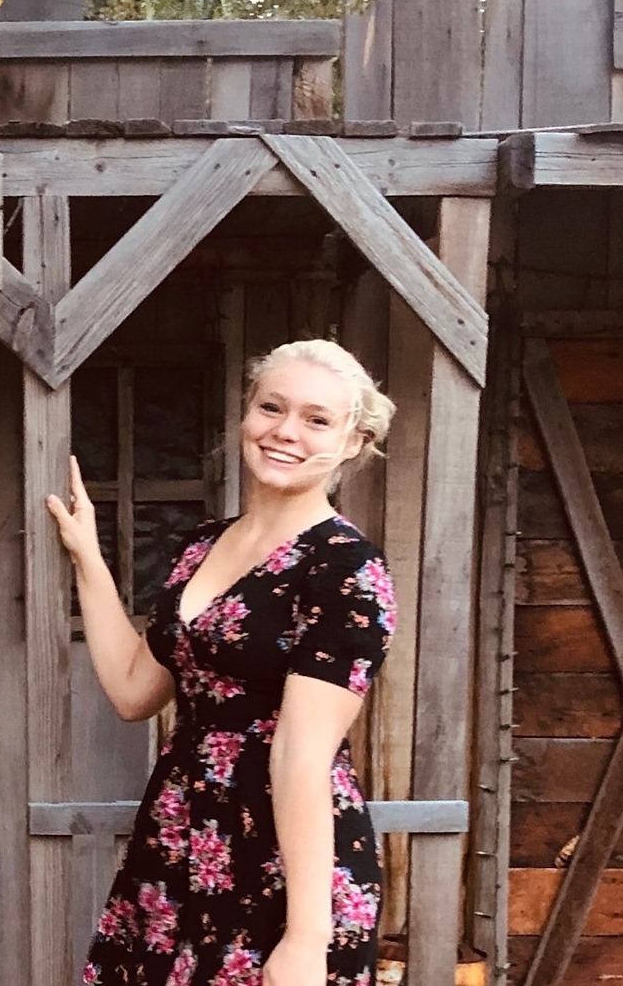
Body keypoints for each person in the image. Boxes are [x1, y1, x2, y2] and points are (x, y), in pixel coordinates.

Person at [46, 338, 398, 986]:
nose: (285, 430)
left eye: (316, 419)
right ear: (246, 413)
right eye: (271, 407)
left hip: (280, 863)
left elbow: (301, 753)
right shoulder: (202, 544)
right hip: (180, 836)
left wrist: (306, 937)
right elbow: (133, 690)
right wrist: (87, 557)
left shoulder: (345, 568)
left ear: (353, 442)